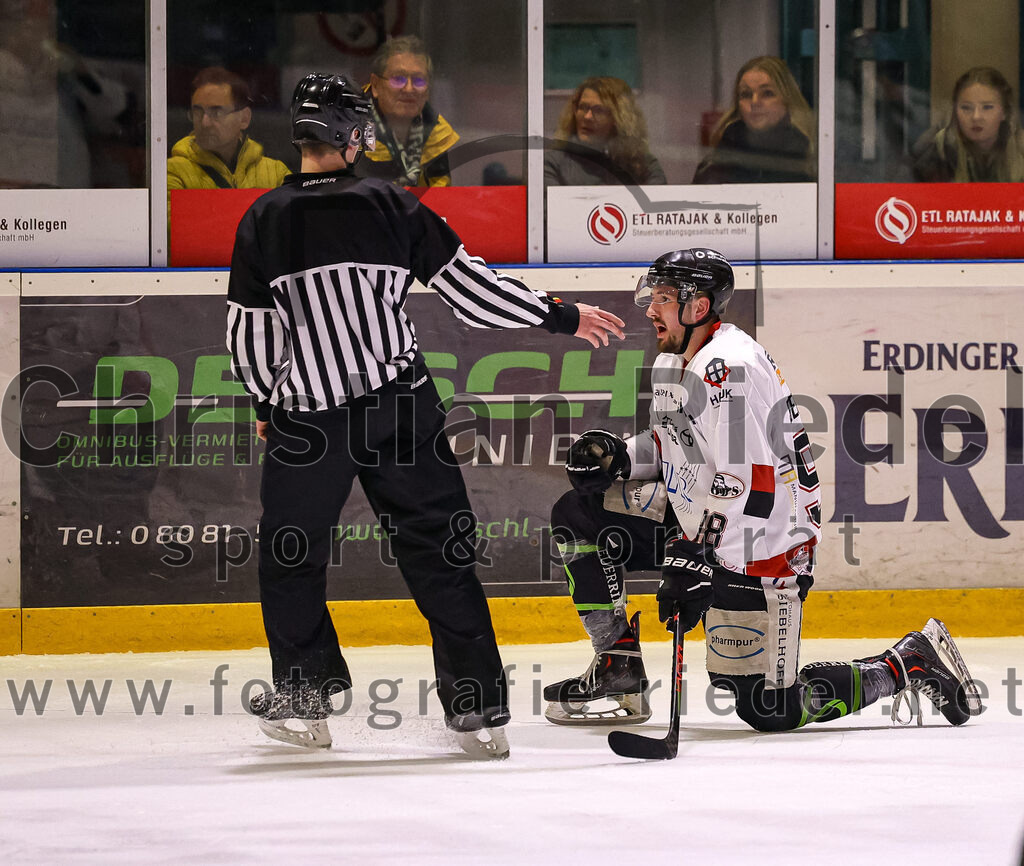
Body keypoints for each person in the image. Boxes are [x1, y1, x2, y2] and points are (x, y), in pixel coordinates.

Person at [226, 72, 625, 759]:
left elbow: (251, 337)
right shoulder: (391, 204)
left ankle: (306, 696)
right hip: (400, 408)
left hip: (310, 420)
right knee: (442, 555)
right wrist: (561, 314)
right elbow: (473, 292)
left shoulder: (264, 217)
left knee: (290, 557)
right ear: (352, 135)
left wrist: (268, 401)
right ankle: (479, 711)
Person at [543, 248, 983, 733]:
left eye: (663, 299)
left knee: (770, 708)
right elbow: (678, 446)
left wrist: (693, 555)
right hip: (701, 523)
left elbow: (751, 485)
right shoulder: (676, 361)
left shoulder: (729, 370)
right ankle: (618, 666)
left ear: (698, 307)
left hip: (764, 545)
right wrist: (622, 457)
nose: (650, 309)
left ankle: (906, 663)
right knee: (576, 513)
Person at [692, 56, 816, 184]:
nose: (755, 102)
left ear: (787, 100)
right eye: (746, 94)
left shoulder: (809, 156)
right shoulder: (716, 162)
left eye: (767, 93)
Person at [356, 36, 458, 187]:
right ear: (375, 86)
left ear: (428, 91)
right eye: (398, 79)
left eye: (419, 81)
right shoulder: (346, 126)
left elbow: (440, 199)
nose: (409, 89)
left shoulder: (436, 132)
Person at [167, 66, 290, 191]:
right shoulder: (172, 173)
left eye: (216, 113)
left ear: (244, 118)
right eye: (198, 112)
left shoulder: (276, 174)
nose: (205, 123)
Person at [545, 76, 666, 186]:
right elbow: (549, 208)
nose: (587, 117)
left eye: (598, 110)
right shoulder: (553, 163)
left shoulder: (642, 164)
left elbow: (656, 205)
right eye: (583, 107)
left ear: (618, 118)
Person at [912, 66, 1024, 182]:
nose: (976, 117)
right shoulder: (935, 151)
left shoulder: (1021, 148)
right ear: (955, 110)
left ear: (1004, 112)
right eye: (966, 108)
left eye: (987, 107)